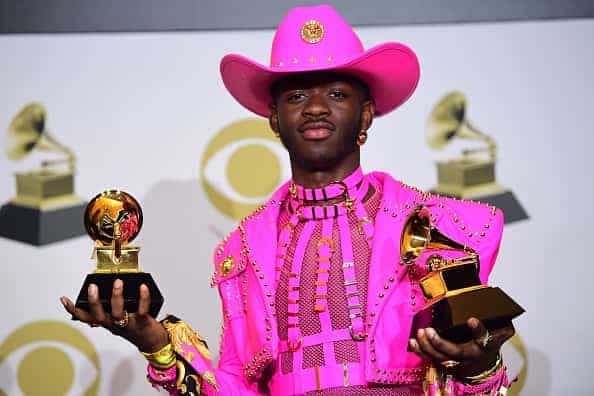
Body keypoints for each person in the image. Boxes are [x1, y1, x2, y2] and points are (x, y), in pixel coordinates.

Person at [60, 4, 515, 395]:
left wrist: (478, 366)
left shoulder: (439, 226)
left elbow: (472, 371)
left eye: (336, 93)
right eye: (297, 95)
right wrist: (158, 342)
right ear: (275, 118)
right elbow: (237, 386)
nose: (316, 107)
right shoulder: (242, 250)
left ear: (367, 113)